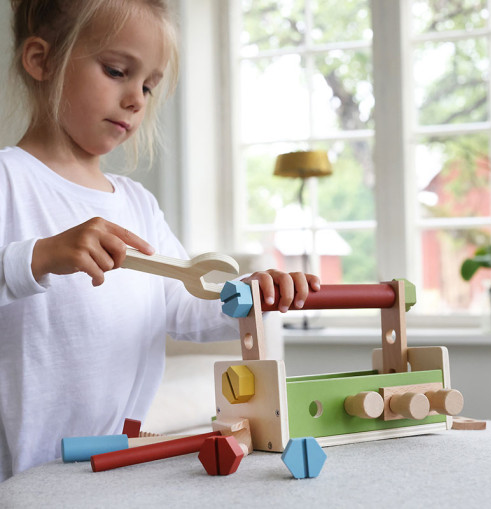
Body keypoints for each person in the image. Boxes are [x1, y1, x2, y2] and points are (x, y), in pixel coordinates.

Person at [0, 0, 320, 482]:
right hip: (18, 472)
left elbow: (183, 305)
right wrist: (40, 255)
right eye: (116, 71)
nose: (137, 99)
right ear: (42, 60)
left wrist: (250, 296)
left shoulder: (137, 204)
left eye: (149, 85)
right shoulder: (8, 180)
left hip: (108, 460)